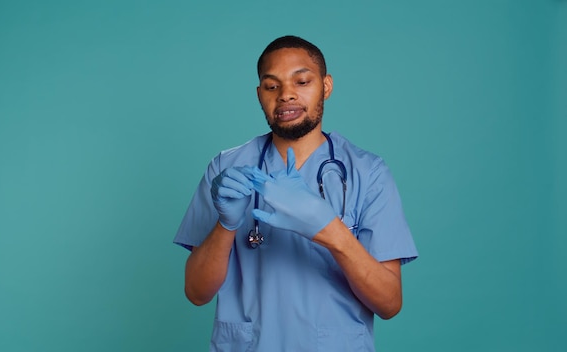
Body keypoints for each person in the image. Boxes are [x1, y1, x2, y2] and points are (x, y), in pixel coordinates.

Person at [174, 35, 418, 352]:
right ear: (260, 94)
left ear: (326, 86)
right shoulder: (227, 168)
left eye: (301, 81)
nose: (287, 95)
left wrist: (330, 229)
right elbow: (196, 293)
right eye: (272, 86)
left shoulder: (368, 173)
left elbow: (389, 303)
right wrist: (226, 225)